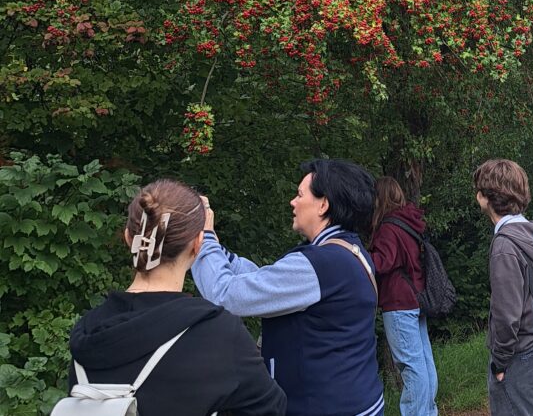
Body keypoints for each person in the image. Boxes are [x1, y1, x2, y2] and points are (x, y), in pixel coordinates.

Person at [65, 180, 286, 416]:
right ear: (198, 245)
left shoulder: (89, 330)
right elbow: (270, 408)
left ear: (129, 237)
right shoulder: (216, 332)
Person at [194, 159, 383, 416]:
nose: (293, 202)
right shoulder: (347, 252)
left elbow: (226, 294)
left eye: (300, 194)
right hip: (356, 403)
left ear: (323, 204)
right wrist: (214, 247)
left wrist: (202, 239)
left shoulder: (321, 264)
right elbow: (265, 282)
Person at [473, 159, 533, 416]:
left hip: (519, 355)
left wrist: (500, 362)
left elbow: (507, 316)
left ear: (484, 197)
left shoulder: (504, 246)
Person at [370, 176, 439, 416]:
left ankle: (417, 413)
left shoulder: (389, 227)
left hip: (398, 302)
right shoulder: (409, 222)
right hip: (416, 300)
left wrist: (358, 257)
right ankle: (428, 411)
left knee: (410, 366)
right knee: (423, 362)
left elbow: (382, 262)